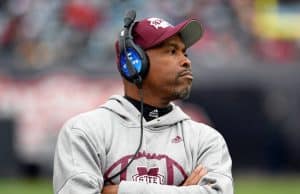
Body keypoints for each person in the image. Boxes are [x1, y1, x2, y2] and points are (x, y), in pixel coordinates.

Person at [53, 10, 233, 194]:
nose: (186, 61)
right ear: (133, 62)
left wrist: (116, 191)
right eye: (172, 51)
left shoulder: (207, 140)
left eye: (184, 52)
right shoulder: (84, 131)